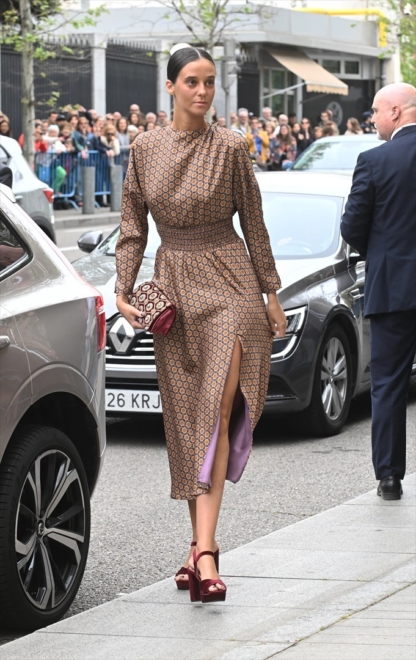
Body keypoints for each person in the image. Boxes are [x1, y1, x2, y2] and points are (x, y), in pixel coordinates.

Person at [115, 43, 285, 603]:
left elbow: (254, 222)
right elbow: (133, 227)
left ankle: (207, 553)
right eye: (192, 81)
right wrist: (122, 288)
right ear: (170, 87)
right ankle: (198, 548)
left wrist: (270, 293)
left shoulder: (232, 147)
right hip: (176, 285)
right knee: (189, 417)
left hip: (231, 279)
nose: (203, 91)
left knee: (217, 407)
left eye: (210, 82)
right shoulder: (144, 148)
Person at [341, 82, 416, 501]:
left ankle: (389, 477)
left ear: (395, 112)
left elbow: (351, 227)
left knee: (388, 383)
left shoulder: (374, 161)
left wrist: (382, 249)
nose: (371, 118)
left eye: (374, 111)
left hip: (393, 288)